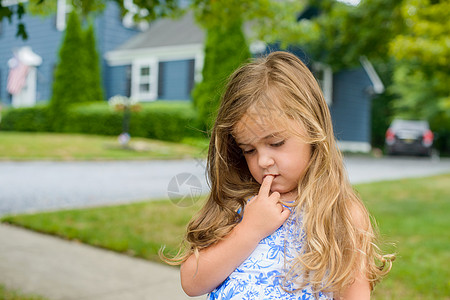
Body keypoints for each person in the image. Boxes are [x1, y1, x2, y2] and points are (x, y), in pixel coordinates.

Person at [162, 51, 394, 299]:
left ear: (313, 130)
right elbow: (192, 282)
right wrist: (249, 230)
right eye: (249, 150)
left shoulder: (340, 213)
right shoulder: (239, 204)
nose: (263, 161)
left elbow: (354, 294)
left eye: (276, 143)